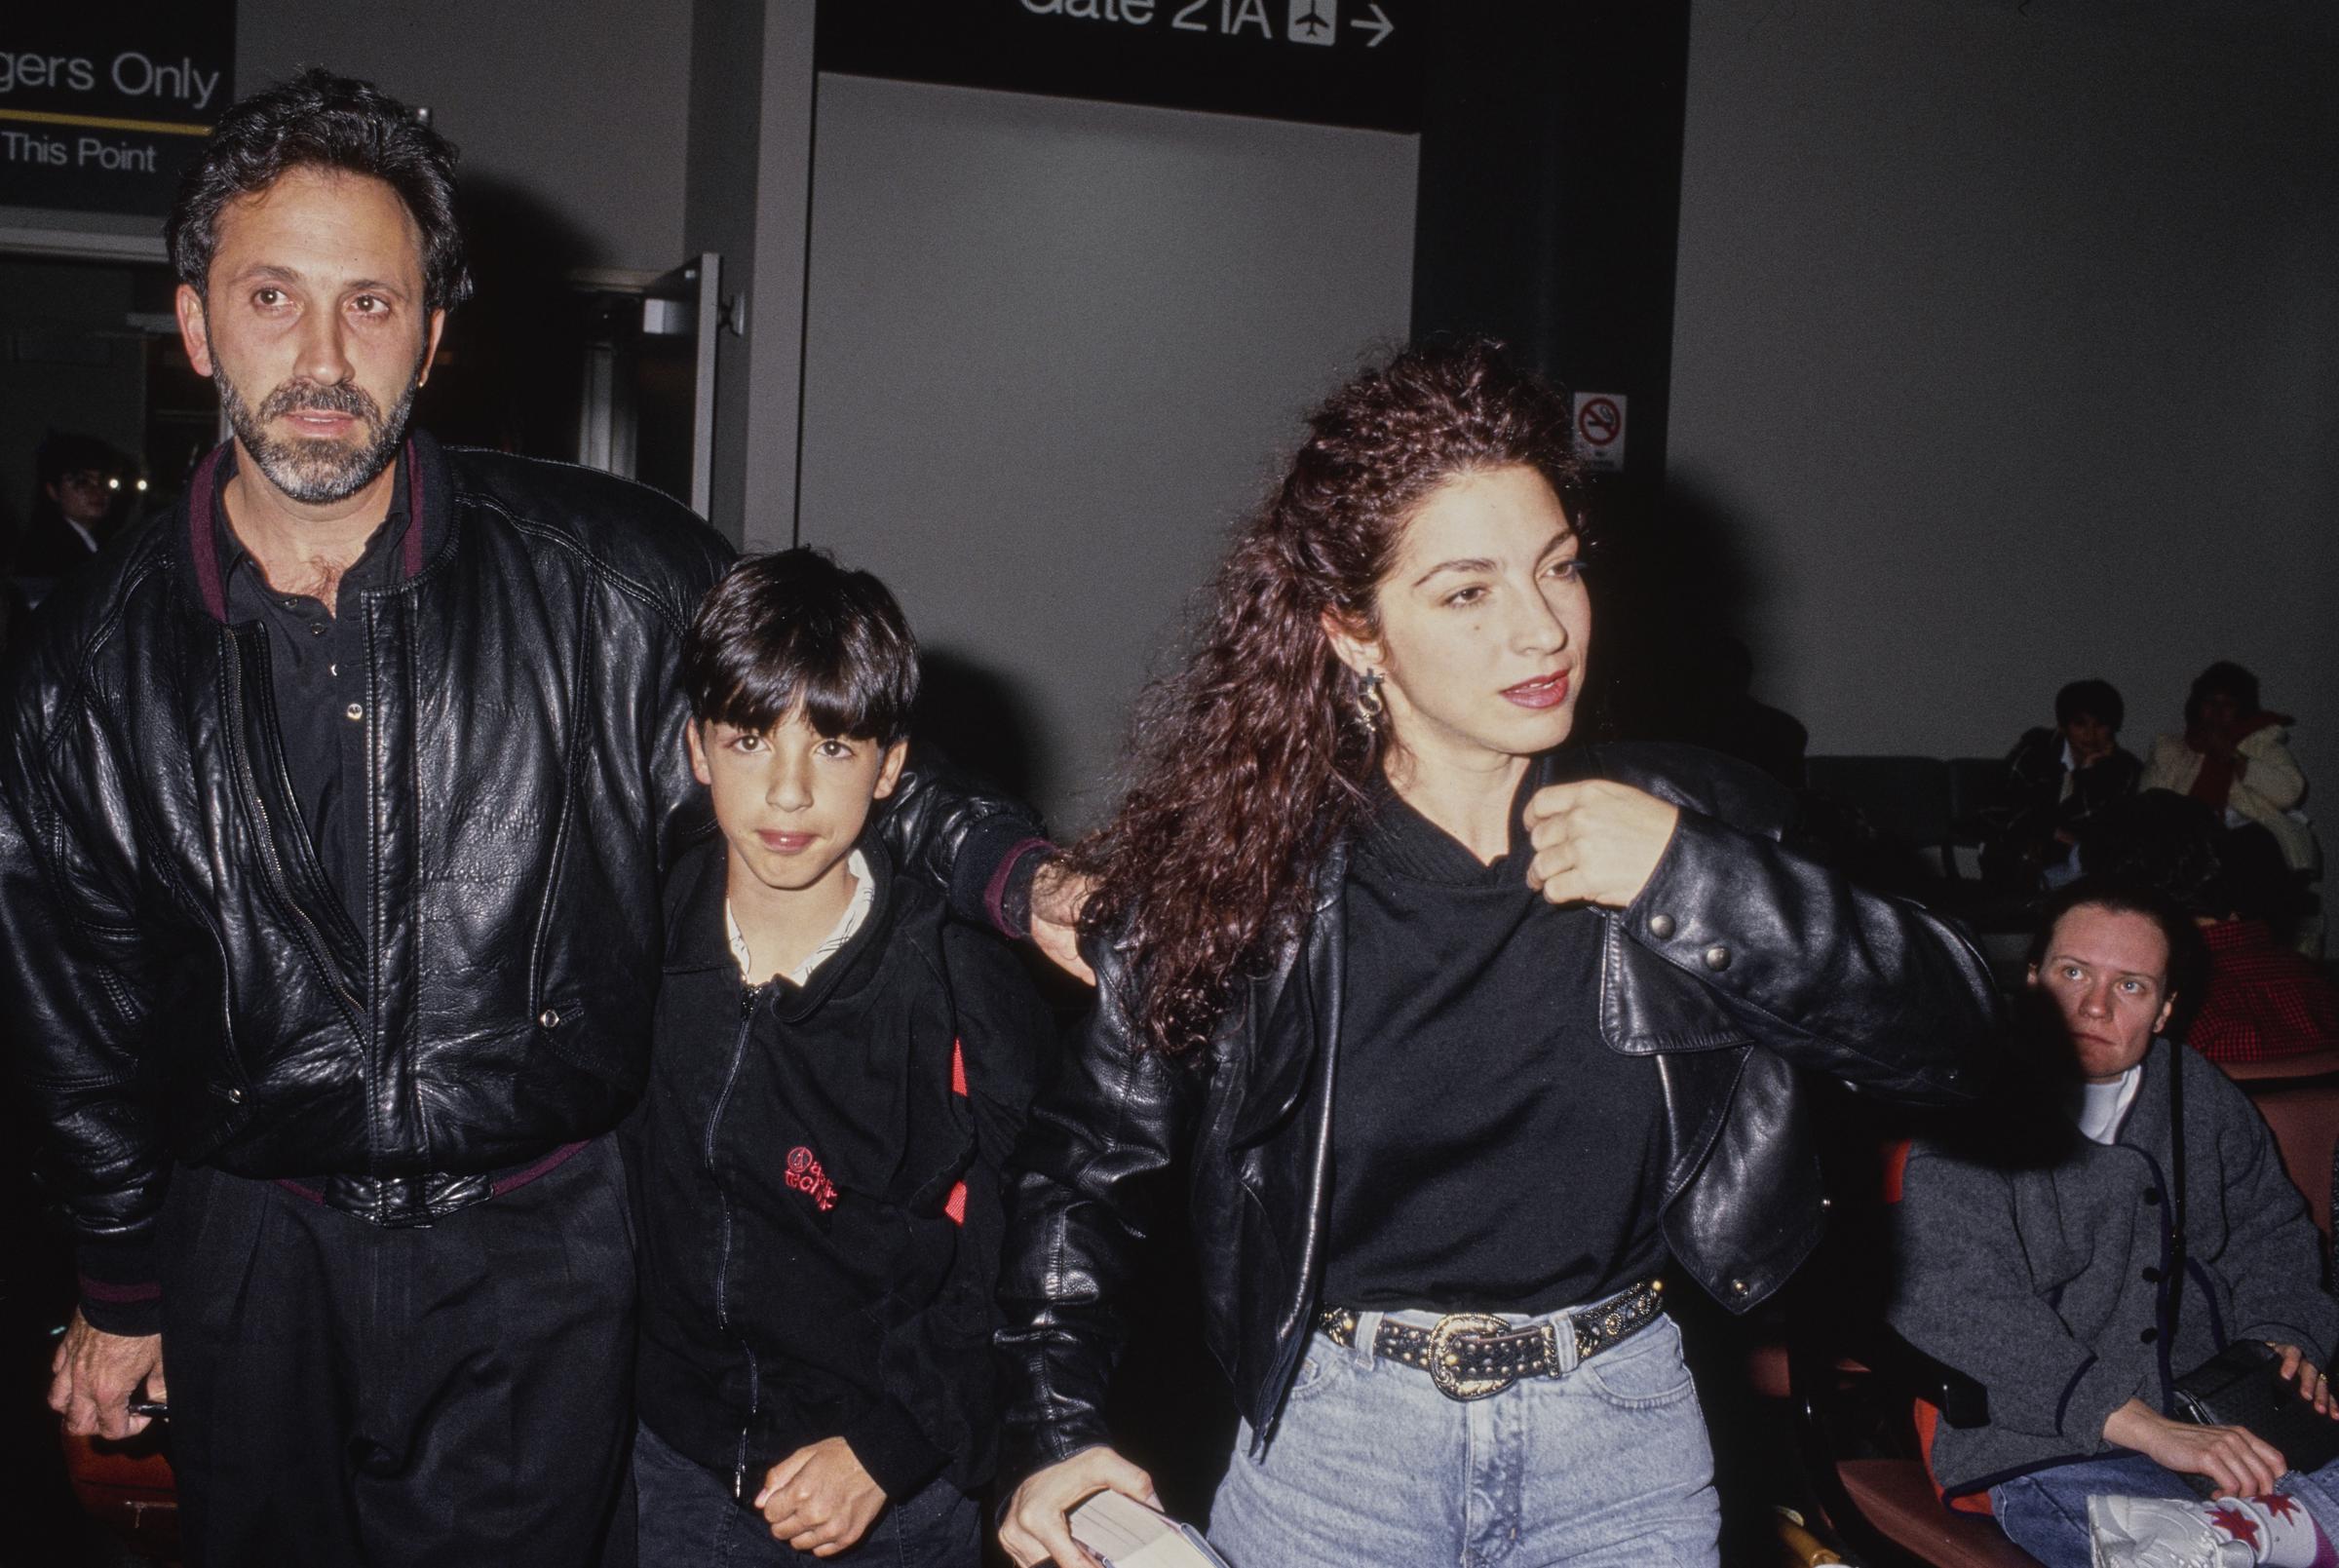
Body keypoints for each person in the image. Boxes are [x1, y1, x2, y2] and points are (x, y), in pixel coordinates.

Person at [0, 70, 1059, 1567]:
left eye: (371, 304)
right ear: (194, 324)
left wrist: (1023, 878)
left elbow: (817, 734)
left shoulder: (613, 581)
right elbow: (71, 997)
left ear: (433, 338)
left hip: (539, 1247)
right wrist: (117, 1284)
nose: (319, 355)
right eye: (270, 298)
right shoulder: (89, 665)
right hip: (251, 1246)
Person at [993, 341, 2001, 1568]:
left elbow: (1961, 1041)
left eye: (1559, 567)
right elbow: (1088, 1172)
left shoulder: (1700, 828)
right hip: (1339, 1449)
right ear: (1354, 634)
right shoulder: (1243, 877)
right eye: (1467, 592)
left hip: (1620, 1442)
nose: (1541, 628)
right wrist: (1053, 1425)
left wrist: (1692, 879)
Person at [628, 550, 1048, 1566]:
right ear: (695, 748)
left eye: (833, 746)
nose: (786, 788)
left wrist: (888, 1446)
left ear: (892, 767)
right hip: (672, 1467)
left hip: (888, 1494)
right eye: (748, 737)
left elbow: (1012, 1255)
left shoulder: (955, 982)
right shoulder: (638, 934)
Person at [1889, 880, 2339, 1568]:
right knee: (2156, 1552)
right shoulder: (1968, 1109)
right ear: (2032, 980)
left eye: (2130, 986)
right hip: (2044, 1441)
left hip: (2215, 1411)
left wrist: (2284, 1334)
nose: (2094, 1006)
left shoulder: (2197, 1092)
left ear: (2165, 1011)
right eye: (2073, 973)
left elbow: (2271, 1230)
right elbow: (1957, 1302)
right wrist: (2147, 1429)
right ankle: (2256, 1532)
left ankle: (2256, 1531)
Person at [2143, 663, 2314, 881]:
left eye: (2228, 704)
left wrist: (2234, 757)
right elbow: (2150, 806)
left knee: (2249, 845)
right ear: (2197, 705)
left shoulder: (2263, 742)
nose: (2217, 712)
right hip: (2188, 848)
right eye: (2210, 702)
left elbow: (2290, 793)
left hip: (2251, 847)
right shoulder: (2170, 749)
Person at [14, 430, 125, 584]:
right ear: (53, 490)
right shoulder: (46, 551)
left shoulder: (101, 544)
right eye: (82, 482)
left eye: (103, 481)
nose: (97, 491)